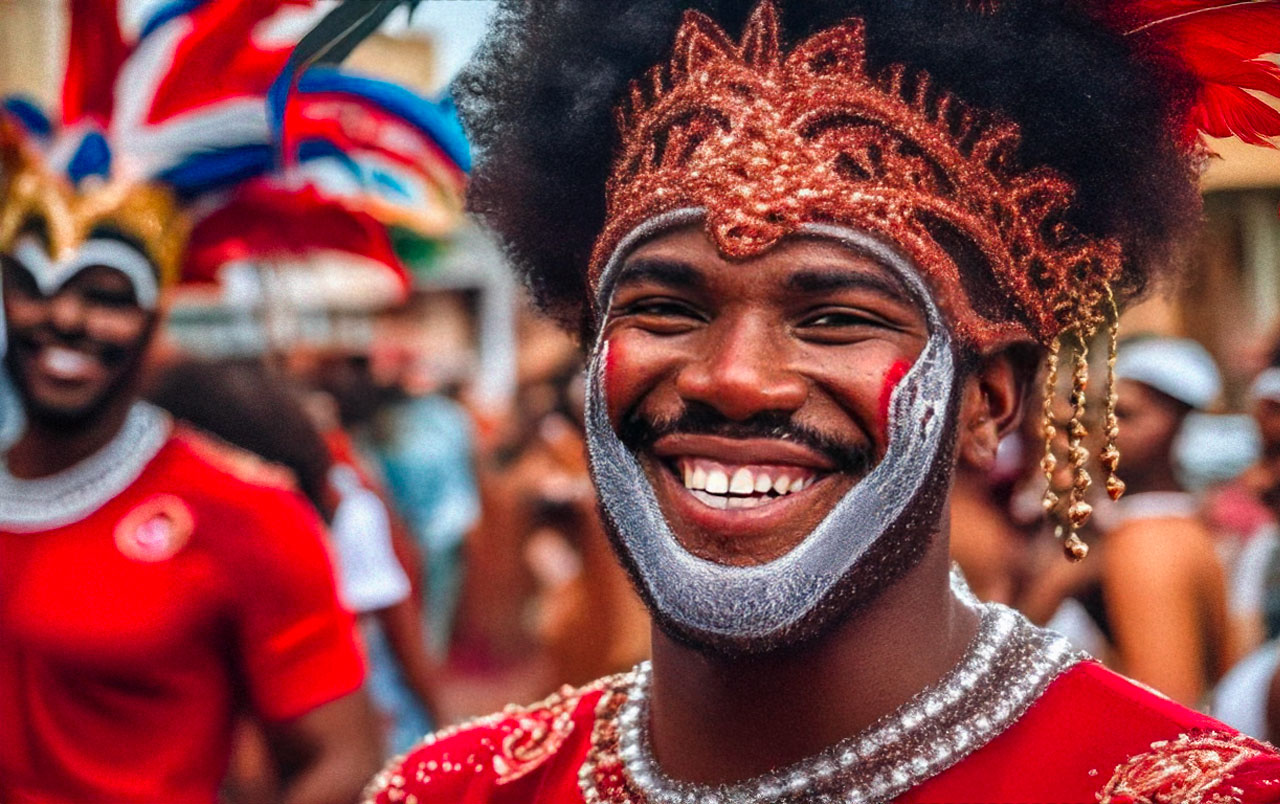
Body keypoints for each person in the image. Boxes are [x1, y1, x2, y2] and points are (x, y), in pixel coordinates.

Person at [360, 1, 1280, 801]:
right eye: (666, 309)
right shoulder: (456, 788)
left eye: (835, 318)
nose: (733, 379)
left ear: (987, 403)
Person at [0, 1, 429, 799]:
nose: (63, 317)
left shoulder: (243, 512)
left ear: (157, 311)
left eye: (103, 292)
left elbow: (342, 758)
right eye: (30, 285)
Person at [1097, 337, 1233, 705]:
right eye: (1100, 410)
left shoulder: (1150, 541)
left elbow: (1172, 715)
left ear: (1180, 428)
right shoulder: (1166, 524)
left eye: (1125, 415)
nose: (1103, 430)